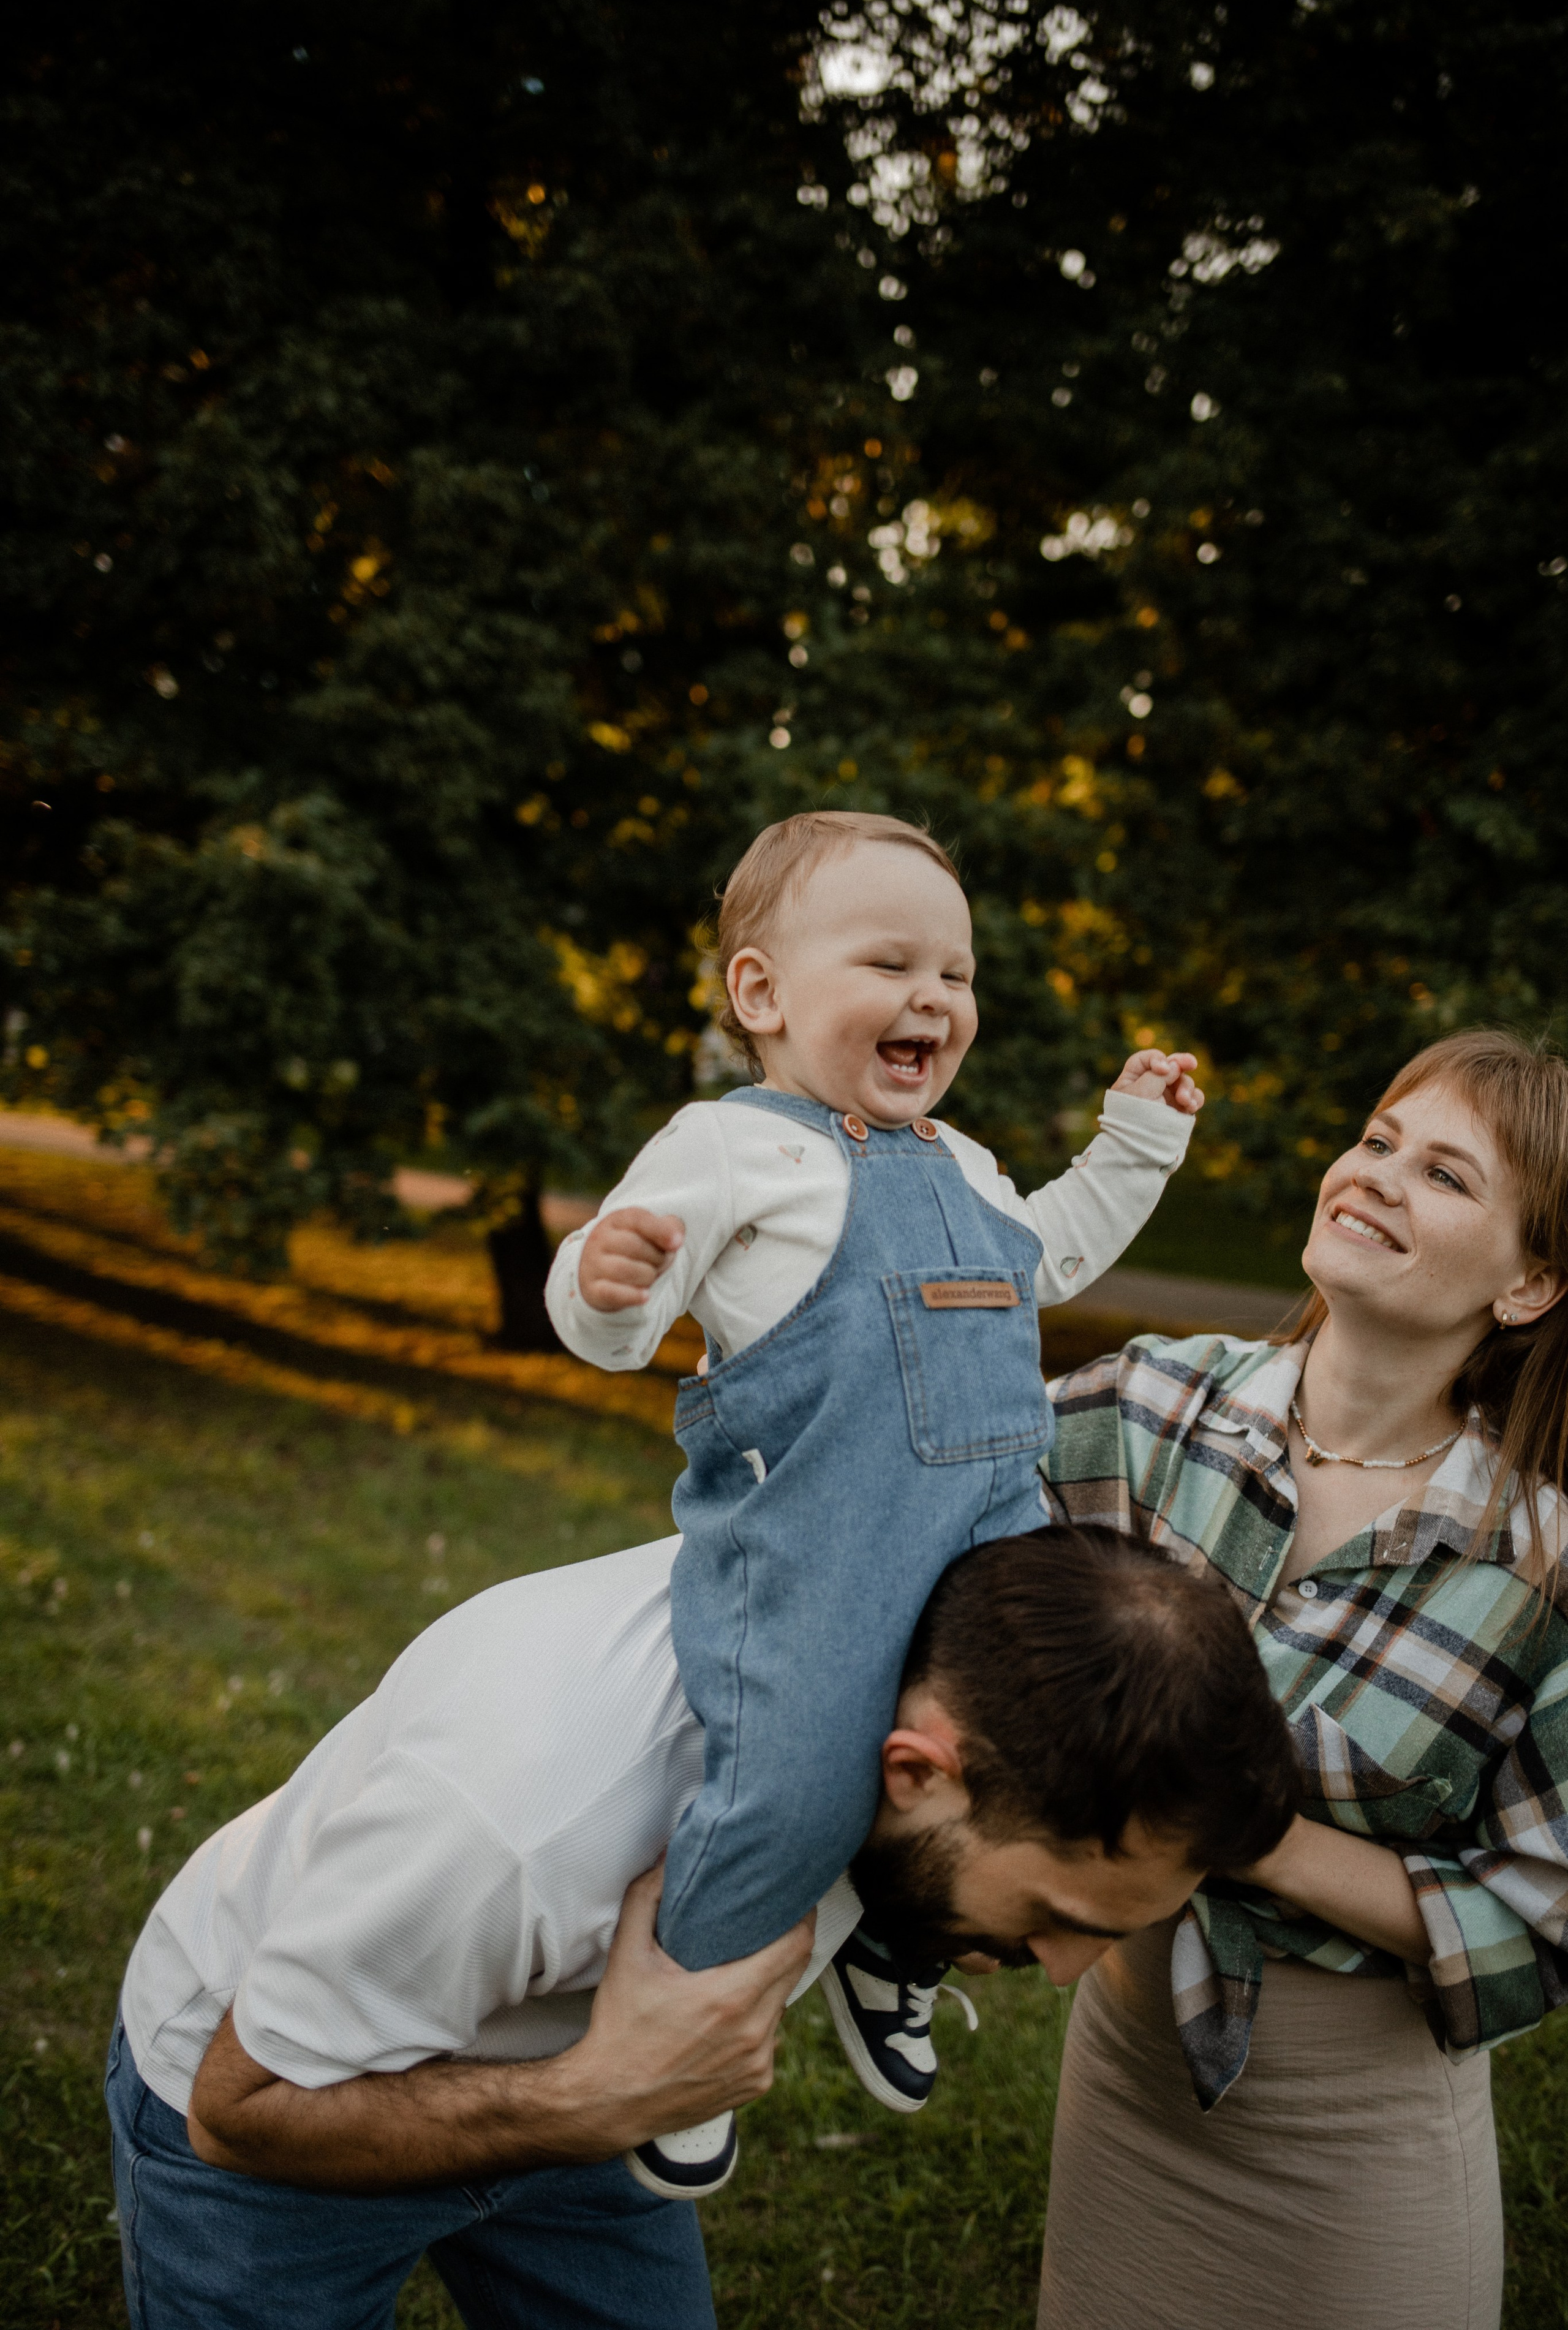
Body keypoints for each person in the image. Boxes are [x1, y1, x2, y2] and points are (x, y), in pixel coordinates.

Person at [108, 1522, 1297, 2330]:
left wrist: (593, 2101)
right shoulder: (525, 1815)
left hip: (583, 2101)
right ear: (915, 1770)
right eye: (1057, 1917)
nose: (1063, 1973)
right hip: (286, 2108)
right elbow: (240, 2113)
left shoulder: (958, 1638)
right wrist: (595, 2101)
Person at [545, 809, 1202, 2193]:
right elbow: (622, 1299)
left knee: (1016, 1759)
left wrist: (1133, 1142)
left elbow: (1054, 1257)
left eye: (954, 975)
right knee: (790, 1790)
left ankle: (890, 1949)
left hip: (991, 1532)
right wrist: (604, 1286)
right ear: (762, 995)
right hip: (819, 1548)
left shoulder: (961, 1163)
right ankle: (693, 2012)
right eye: (890, 963)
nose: (932, 998)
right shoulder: (728, 1147)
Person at [1035, 1028, 1568, 2330]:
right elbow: (922, 1490)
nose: (1375, 1175)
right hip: (1120, 2070)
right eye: (1377, 1141)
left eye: (1444, 1177)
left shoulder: (1540, 1563)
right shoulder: (1151, 1405)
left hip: (1355, 2142)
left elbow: (1538, 1914)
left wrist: (1240, 1825)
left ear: (1527, 1285)